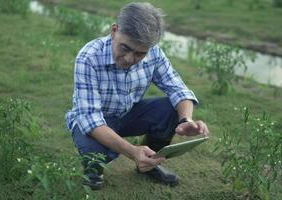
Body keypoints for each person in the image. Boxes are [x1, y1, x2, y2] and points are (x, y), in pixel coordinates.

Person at [65, 2, 209, 190]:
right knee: (93, 144)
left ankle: (149, 164)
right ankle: (94, 170)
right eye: (125, 48)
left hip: (128, 113)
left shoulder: (154, 53)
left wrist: (185, 119)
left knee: (171, 108)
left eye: (140, 53)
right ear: (114, 30)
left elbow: (178, 89)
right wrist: (133, 151)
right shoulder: (89, 56)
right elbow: (90, 120)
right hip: (96, 120)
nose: (129, 59)